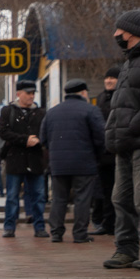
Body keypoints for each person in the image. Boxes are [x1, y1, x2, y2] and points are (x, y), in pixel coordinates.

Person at [103, 10, 140, 270]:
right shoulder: (130, 61)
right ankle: (125, 249)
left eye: (119, 30)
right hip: (125, 144)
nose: (115, 35)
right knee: (121, 199)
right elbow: (122, 104)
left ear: (131, 31)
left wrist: (133, 128)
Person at [40, 79, 104, 243]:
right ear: (83, 93)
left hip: (58, 164)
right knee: (82, 199)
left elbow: (43, 139)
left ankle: (56, 233)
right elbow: (101, 137)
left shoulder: (52, 112)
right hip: (84, 163)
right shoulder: (91, 110)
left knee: (59, 198)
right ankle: (80, 234)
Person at [0, 80, 47, 238]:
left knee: (38, 196)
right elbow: (3, 133)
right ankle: (9, 227)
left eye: (33, 93)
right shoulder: (8, 111)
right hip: (15, 159)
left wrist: (38, 140)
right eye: (28, 93)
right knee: (12, 196)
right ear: (19, 94)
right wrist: (24, 139)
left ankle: (39, 227)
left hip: (35, 160)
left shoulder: (40, 112)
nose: (31, 96)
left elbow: (45, 132)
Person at [92, 66, 119, 236]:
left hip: (120, 151)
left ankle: (126, 225)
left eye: (112, 78)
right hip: (104, 154)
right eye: (106, 77)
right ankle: (108, 224)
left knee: (124, 191)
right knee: (106, 191)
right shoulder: (101, 98)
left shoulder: (124, 95)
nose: (108, 80)